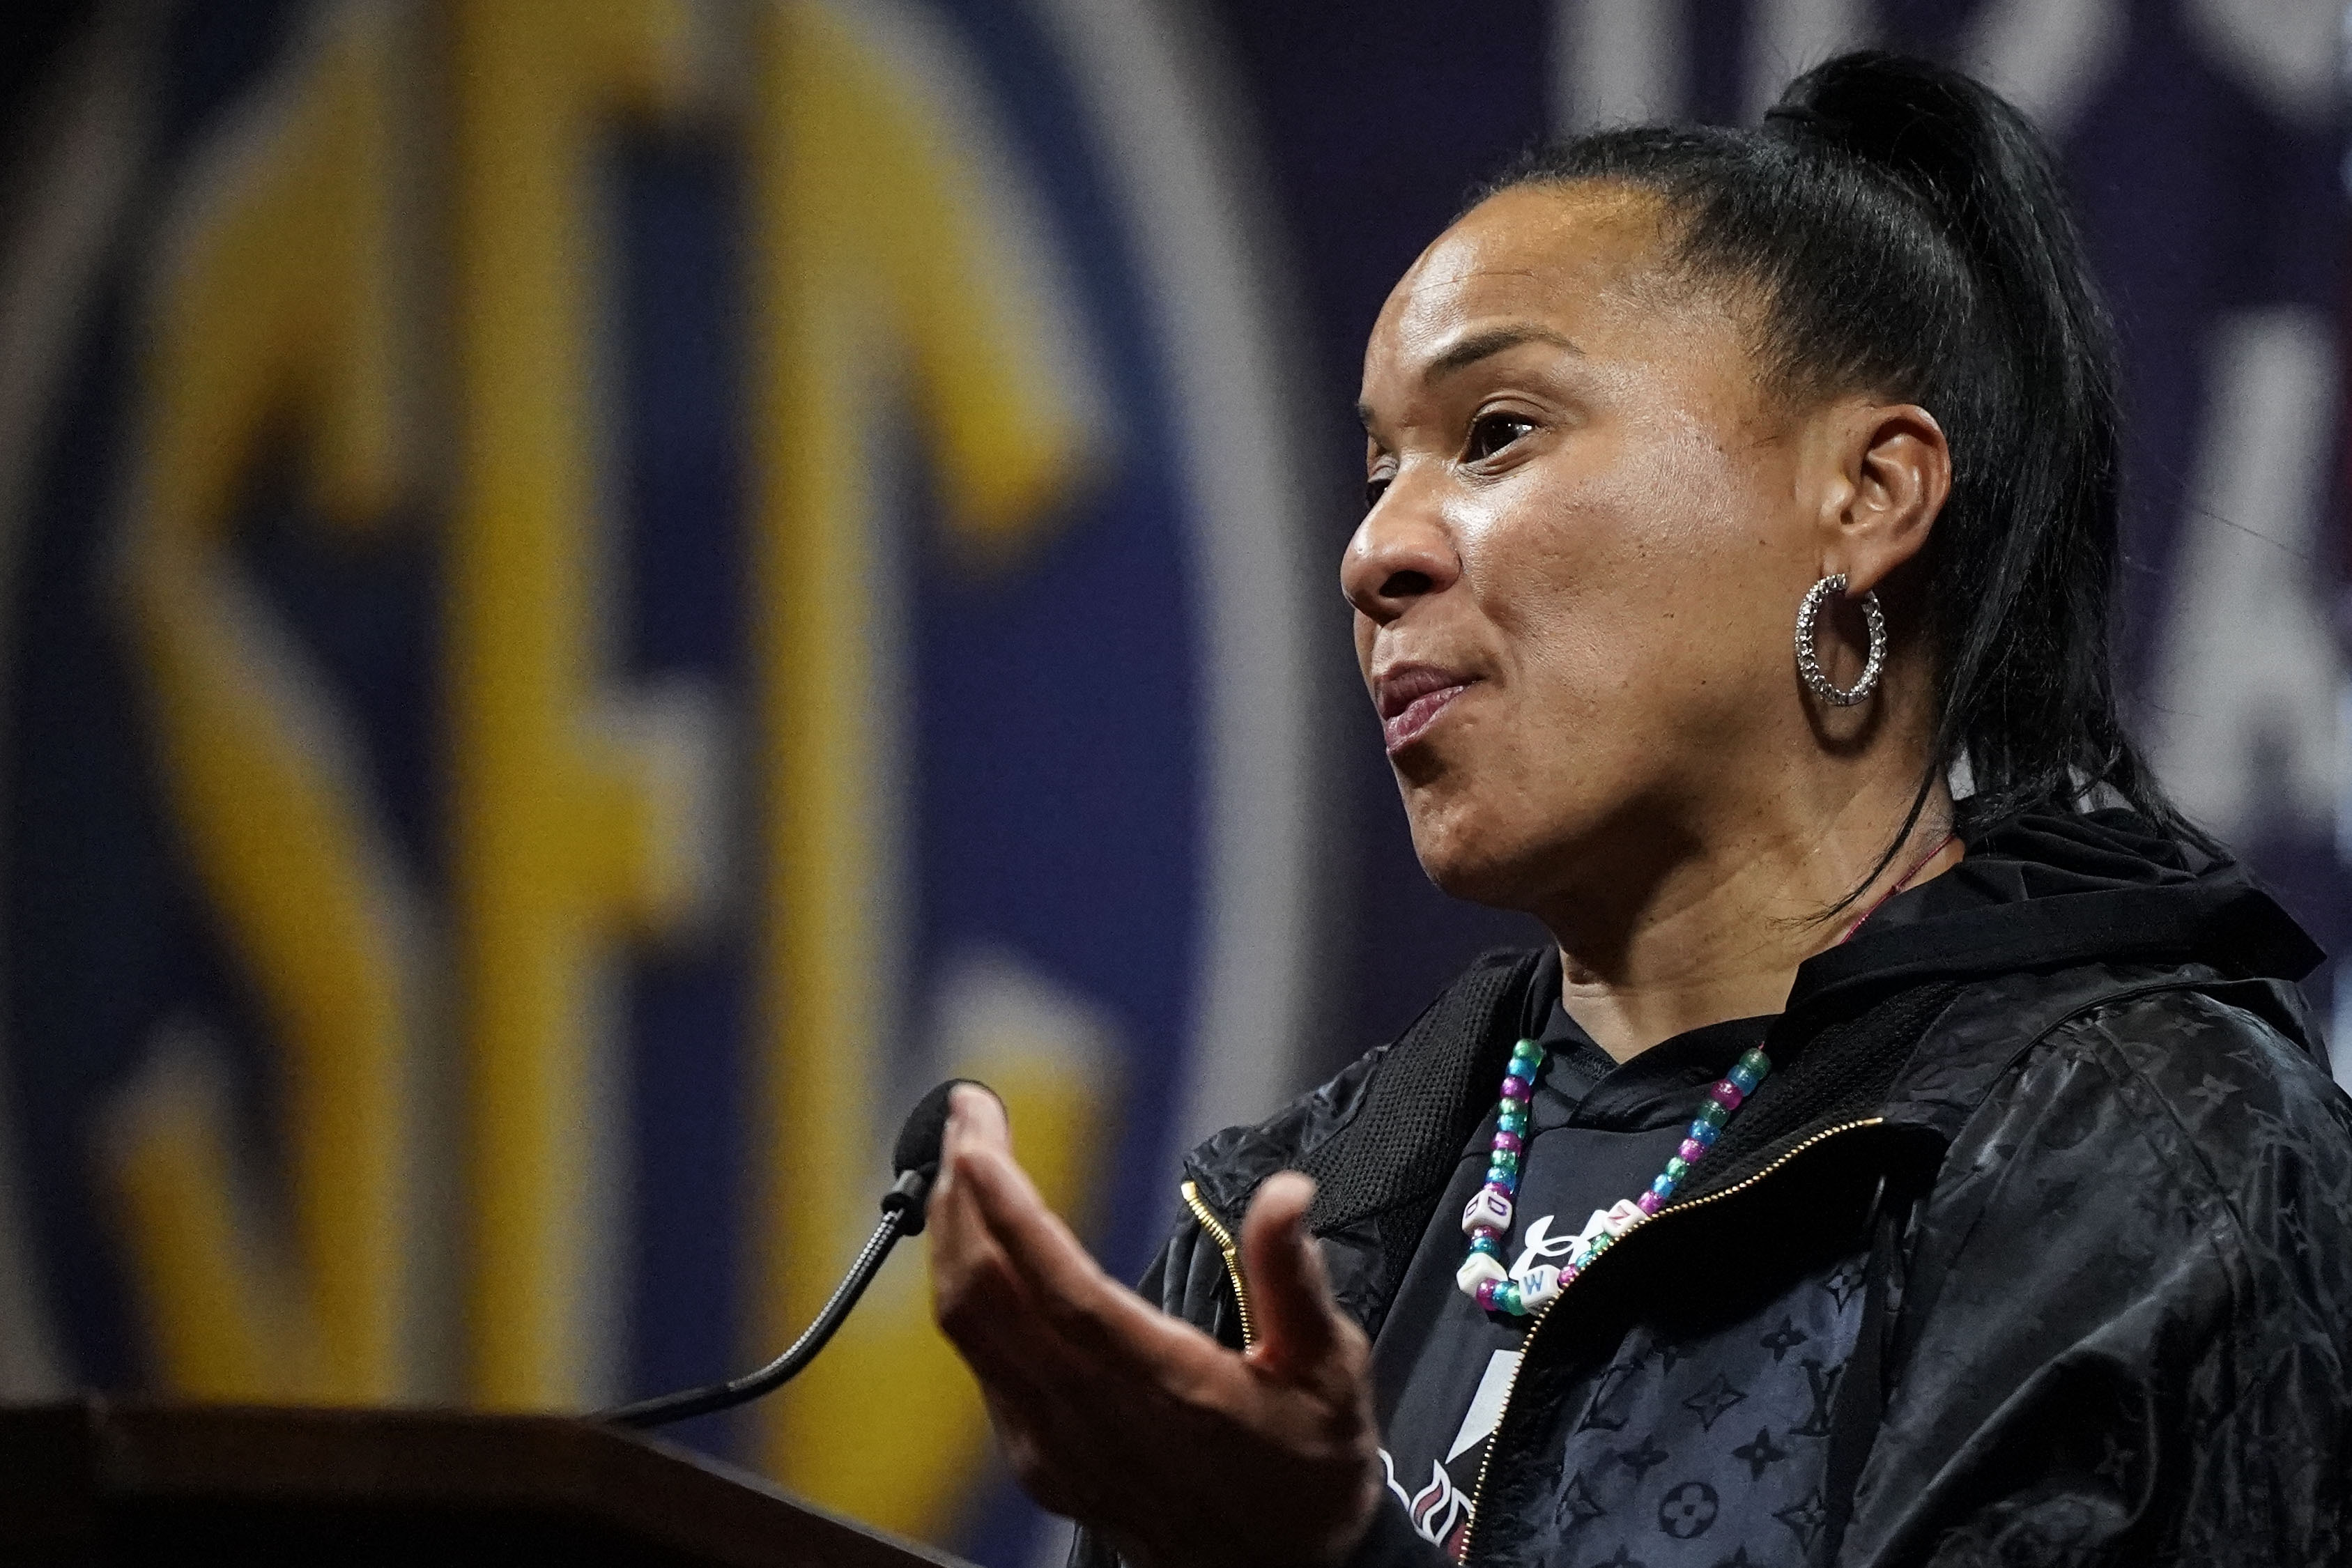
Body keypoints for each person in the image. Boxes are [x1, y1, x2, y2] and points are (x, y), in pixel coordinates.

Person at [925, 50, 2352, 1568]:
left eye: (1495, 434)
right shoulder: (1299, 1210)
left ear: (1865, 496)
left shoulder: (2139, 1164)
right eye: (1373, 471)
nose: (1373, 553)